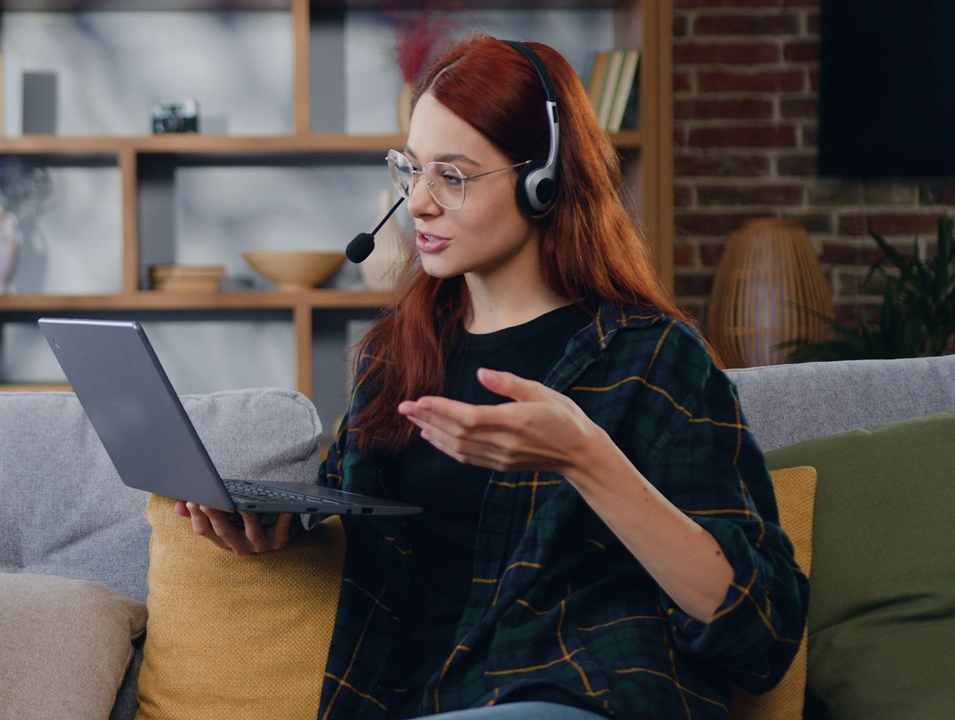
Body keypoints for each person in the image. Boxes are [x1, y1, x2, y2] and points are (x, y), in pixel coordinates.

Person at [175, 34, 809, 720]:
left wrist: (583, 457)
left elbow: (760, 635)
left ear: (543, 183)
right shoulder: (397, 356)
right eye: (410, 169)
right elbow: (371, 528)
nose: (417, 202)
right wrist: (281, 528)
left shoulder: (653, 358)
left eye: (452, 175)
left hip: (581, 699)